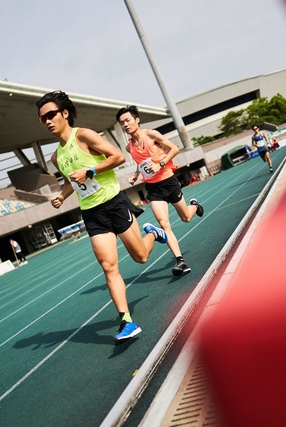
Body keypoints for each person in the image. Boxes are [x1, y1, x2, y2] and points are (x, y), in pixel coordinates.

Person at [37, 90, 168, 345]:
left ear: (65, 113)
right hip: (92, 212)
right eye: (42, 118)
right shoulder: (56, 157)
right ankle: (127, 320)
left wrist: (90, 170)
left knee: (140, 257)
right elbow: (69, 182)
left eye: (51, 114)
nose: (47, 121)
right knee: (108, 266)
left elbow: (117, 157)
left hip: (114, 203)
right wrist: (61, 197)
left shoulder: (84, 135)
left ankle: (153, 233)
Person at [117, 105, 204, 277]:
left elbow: (174, 149)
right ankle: (181, 261)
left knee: (186, 217)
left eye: (127, 120)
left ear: (137, 120)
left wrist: (160, 164)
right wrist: (136, 175)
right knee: (164, 224)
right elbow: (140, 163)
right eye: (121, 123)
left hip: (169, 181)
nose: (125, 124)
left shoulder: (151, 135)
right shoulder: (129, 148)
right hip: (153, 188)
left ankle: (195, 206)